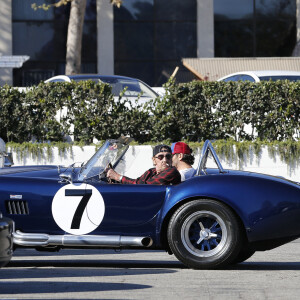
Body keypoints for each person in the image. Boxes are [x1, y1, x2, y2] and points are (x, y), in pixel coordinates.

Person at [107, 144, 181, 185]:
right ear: (154, 160)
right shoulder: (151, 172)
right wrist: (116, 182)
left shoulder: (172, 171)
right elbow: (137, 183)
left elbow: (145, 186)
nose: (165, 160)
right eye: (160, 157)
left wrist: (117, 177)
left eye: (168, 156)